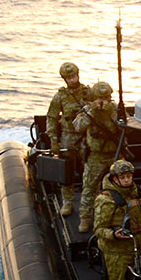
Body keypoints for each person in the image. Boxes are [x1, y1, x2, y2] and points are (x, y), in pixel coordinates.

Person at [73, 81, 121, 234]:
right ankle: (85, 218)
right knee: (89, 187)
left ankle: (120, 216)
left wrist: (112, 113)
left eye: (106, 98)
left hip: (114, 154)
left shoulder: (115, 109)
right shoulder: (88, 110)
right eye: (100, 98)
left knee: (121, 186)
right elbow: (78, 126)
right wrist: (93, 111)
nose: (103, 101)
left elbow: (126, 128)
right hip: (96, 156)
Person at [45, 62, 93, 216]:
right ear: (64, 79)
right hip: (69, 136)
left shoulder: (89, 92)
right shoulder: (60, 96)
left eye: (73, 76)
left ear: (78, 74)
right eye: (68, 77)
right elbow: (52, 117)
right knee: (67, 170)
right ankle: (67, 201)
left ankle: (92, 199)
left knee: (91, 169)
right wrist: (53, 140)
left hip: (87, 135)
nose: (72, 79)